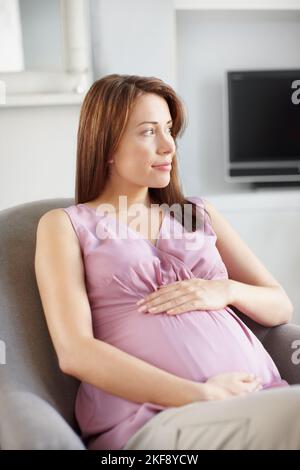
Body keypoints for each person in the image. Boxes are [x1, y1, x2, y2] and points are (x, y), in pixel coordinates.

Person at [34, 73, 299, 451]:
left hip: (258, 397)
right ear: (107, 145)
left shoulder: (195, 213)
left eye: (170, 130)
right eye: (148, 132)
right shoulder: (66, 226)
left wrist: (223, 290)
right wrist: (198, 394)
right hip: (160, 417)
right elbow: (75, 352)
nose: (168, 146)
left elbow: (280, 306)